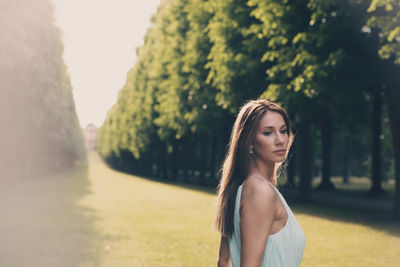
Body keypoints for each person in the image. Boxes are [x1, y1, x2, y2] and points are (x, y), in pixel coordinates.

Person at [214, 99, 306, 267]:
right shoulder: (260, 191)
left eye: (283, 131)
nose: (280, 140)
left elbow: (222, 261)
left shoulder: (241, 187)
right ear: (249, 141)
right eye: (268, 133)